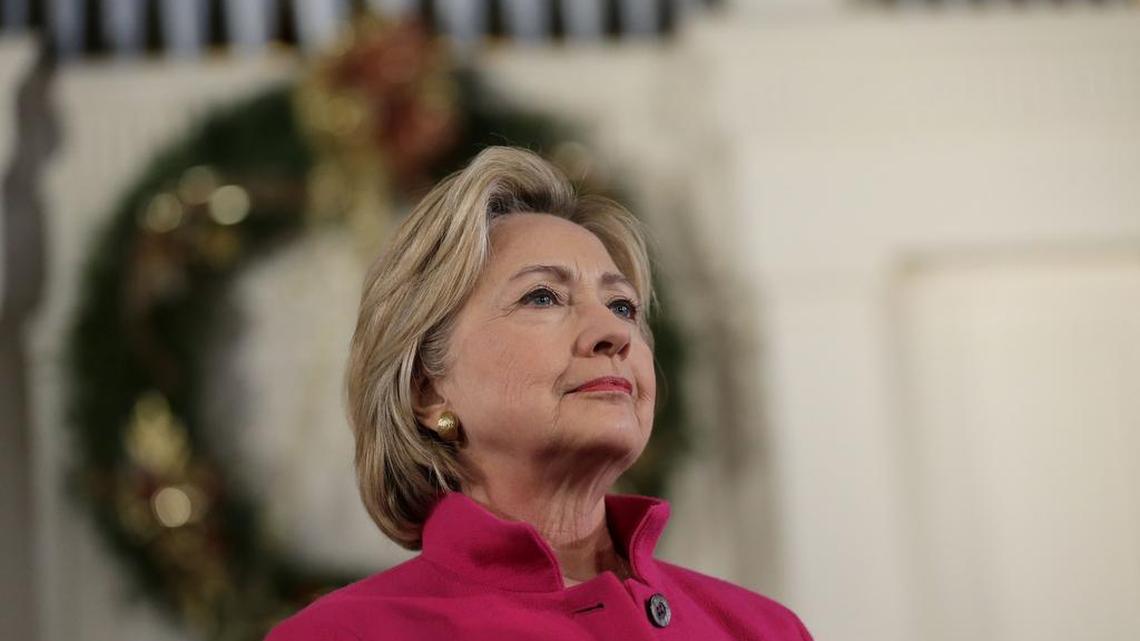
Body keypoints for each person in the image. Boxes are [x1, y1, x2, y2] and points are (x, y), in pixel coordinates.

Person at [265, 146, 813, 640]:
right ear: (425, 390)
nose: (615, 333)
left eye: (622, 306)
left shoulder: (764, 630)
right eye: (543, 297)